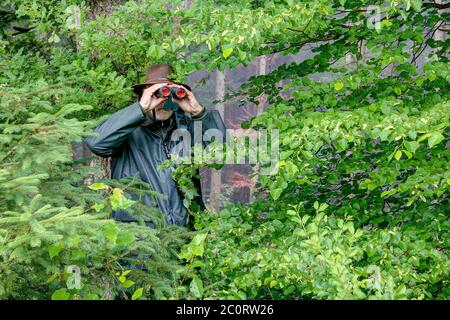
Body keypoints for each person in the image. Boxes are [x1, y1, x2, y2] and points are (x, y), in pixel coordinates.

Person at [84, 63, 226, 227]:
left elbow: (219, 155)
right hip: (140, 240)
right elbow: (96, 143)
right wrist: (140, 109)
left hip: (182, 239)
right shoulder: (127, 129)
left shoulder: (186, 129)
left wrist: (198, 112)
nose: (163, 102)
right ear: (144, 96)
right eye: (157, 94)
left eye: (170, 94)